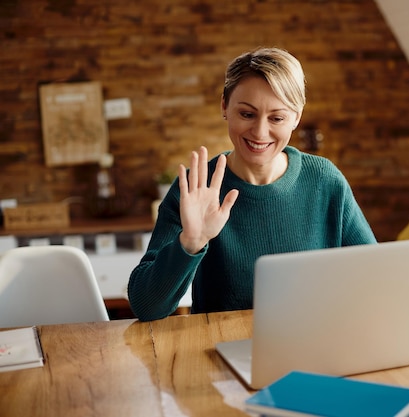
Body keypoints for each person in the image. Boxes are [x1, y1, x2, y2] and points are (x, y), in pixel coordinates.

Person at [128, 47, 377, 321]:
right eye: (247, 114)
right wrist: (190, 242)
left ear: (297, 117)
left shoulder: (324, 180)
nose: (260, 132)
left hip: (312, 345)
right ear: (224, 106)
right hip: (221, 352)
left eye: (277, 118)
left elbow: (376, 278)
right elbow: (146, 307)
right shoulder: (195, 188)